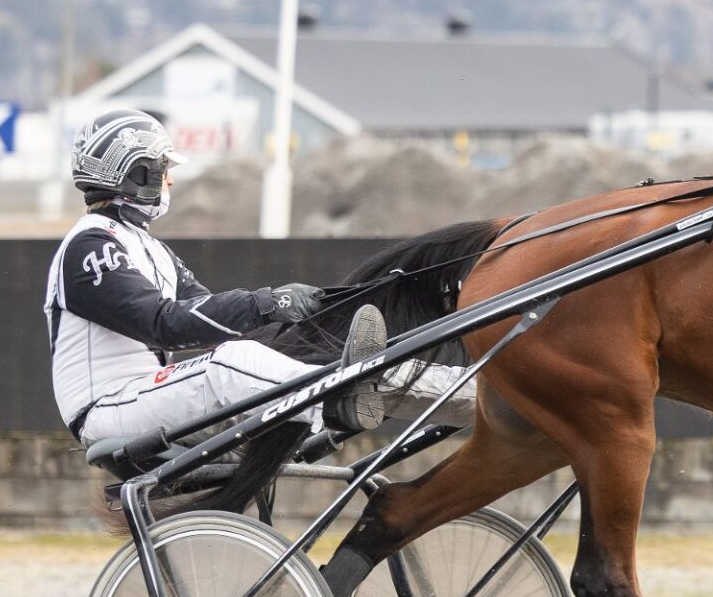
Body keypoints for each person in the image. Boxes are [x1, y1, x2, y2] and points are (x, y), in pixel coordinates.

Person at [44, 108, 472, 447]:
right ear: (133, 174)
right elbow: (164, 324)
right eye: (160, 167)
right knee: (231, 364)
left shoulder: (150, 248)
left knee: (272, 352)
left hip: (142, 397)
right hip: (107, 409)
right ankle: (337, 400)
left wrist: (303, 318)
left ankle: (467, 393)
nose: (170, 178)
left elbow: (207, 316)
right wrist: (266, 302)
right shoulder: (91, 248)